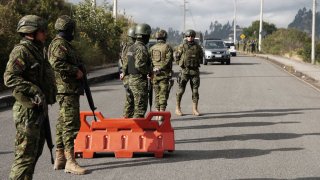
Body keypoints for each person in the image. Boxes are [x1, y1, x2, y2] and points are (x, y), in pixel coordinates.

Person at [4, 15, 56, 180]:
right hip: (27, 111)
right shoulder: (22, 51)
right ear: (32, 32)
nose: (45, 34)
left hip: (38, 110)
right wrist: (34, 90)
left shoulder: (37, 49)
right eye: (42, 31)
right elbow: (10, 78)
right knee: (24, 157)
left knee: (34, 154)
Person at [48, 15, 87, 175]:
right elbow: (56, 63)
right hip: (67, 89)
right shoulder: (60, 45)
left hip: (68, 89)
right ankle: (70, 161)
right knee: (71, 125)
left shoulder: (62, 44)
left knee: (62, 123)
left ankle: (60, 157)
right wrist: (75, 71)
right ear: (69, 29)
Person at [123, 23, 152, 118]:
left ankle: (125, 128)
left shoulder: (131, 47)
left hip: (130, 80)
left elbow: (125, 65)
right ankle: (137, 131)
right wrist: (149, 71)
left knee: (129, 108)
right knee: (139, 110)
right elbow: (139, 65)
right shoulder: (141, 48)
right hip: (139, 82)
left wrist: (124, 75)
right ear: (145, 35)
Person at [175, 29, 203, 116]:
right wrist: (180, 64)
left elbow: (201, 57)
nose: (190, 38)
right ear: (186, 37)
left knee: (195, 91)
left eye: (191, 36)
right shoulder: (182, 46)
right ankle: (177, 108)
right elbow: (176, 56)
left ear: (194, 37)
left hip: (194, 71)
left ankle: (195, 109)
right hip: (184, 72)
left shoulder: (198, 47)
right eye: (188, 36)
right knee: (180, 91)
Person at [149, 29, 174, 118]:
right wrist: (161, 68)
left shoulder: (152, 48)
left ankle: (157, 113)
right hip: (164, 74)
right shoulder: (167, 47)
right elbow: (169, 60)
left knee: (157, 94)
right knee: (163, 94)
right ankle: (161, 114)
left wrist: (153, 69)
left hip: (154, 75)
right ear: (165, 37)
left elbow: (149, 61)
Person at [119, 26, 136, 118]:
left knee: (129, 98)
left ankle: (127, 118)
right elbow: (128, 62)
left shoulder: (125, 46)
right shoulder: (132, 47)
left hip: (126, 76)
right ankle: (127, 118)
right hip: (130, 76)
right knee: (132, 99)